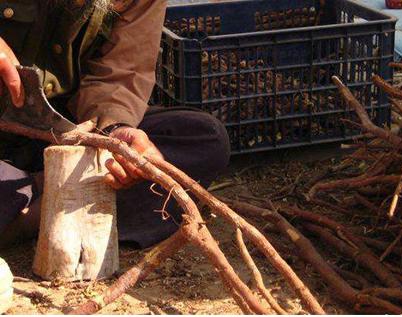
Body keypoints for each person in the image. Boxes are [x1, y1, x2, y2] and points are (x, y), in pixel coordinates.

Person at [0, 0, 231, 249]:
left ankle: (32, 202)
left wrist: (114, 132)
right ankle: (34, 208)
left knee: (200, 139)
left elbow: (121, 73)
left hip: (62, 138)